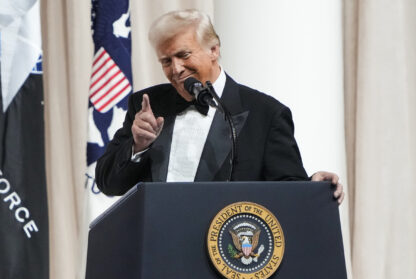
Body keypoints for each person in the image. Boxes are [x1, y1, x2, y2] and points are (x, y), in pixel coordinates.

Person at [95, 9, 344, 203]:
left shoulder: (266, 114)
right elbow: (108, 183)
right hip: (158, 251)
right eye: (166, 61)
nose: (176, 69)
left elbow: (286, 190)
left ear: (213, 49)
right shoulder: (147, 106)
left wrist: (312, 186)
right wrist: (137, 146)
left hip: (229, 256)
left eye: (183, 55)